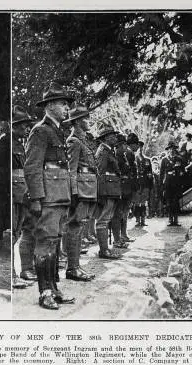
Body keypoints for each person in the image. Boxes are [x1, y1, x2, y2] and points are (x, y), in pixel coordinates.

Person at [24, 82, 76, 310]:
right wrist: (36, 198)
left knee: (54, 243)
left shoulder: (57, 130)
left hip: (59, 196)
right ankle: (44, 292)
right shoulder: (40, 131)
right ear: (50, 106)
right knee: (45, 243)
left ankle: (54, 288)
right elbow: (32, 167)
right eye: (63, 104)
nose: (67, 109)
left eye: (67, 104)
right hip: (47, 198)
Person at [62, 106, 98, 282]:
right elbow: (71, 170)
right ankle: (72, 267)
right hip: (81, 190)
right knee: (74, 227)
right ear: (76, 122)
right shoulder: (74, 141)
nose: (88, 121)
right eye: (85, 119)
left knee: (79, 227)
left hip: (88, 188)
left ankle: (75, 265)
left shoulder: (82, 141)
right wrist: (74, 193)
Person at [10, 106, 35, 289]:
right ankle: (11, 277)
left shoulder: (21, 144)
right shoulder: (9, 144)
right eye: (24, 125)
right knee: (13, 233)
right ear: (14, 126)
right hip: (14, 193)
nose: (27, 129)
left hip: (23, 192)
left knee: (25, 231)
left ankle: (25, 269)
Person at [94, 125, 123, 260]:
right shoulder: (103, 151)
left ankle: (105, 249)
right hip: (106, 190)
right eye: (112, 135)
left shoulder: (108, 151)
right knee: (103, 220)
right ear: (106, 138)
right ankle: (104, 250)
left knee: (106, 219)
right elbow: (99, 172)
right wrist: (101, 192)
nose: (115, 137)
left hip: (111, 189)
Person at [110, 132, 136, 247]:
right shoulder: (116, 156)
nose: (126, 147)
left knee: (124, 213)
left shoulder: (123, 156)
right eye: (124, 145)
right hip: (119, 188)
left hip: (126, 188)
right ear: (119, 146)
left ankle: (123, 235)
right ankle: (118, 238)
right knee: (118, 214)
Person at [160, 141, 186, 226]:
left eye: (173, 149)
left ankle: (176, 220)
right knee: (169, 202)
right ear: (168, 150)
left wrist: (181, 175)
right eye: (170, 149)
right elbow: (161, 173)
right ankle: (170, 219)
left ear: (175, 150)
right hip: (168, 184)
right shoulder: (164, 160)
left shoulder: (179, 159)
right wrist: (161, 184)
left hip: (177, 183)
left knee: (176, 202)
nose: (171, 150)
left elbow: (183, 171)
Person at [132, 137, 153, 226]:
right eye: (139, 147)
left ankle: (143, 219)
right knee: (137, 202)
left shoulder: (147, 160)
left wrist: (150, 184)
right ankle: (137, 219)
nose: (140, 149)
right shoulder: (133, 159)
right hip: (137, 183)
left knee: (143, 202)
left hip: (145, 183)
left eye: (141, 147)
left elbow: (150, 173)